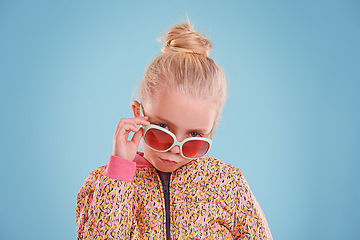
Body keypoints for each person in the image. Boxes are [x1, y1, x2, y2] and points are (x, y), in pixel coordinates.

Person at [76, 22, 272, 239]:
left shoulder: (228, 183)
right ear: (138, 113)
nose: (175, 149)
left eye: (194, 136)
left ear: (211, 130)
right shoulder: (103, 184)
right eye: (163, 128)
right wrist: (119, 173)